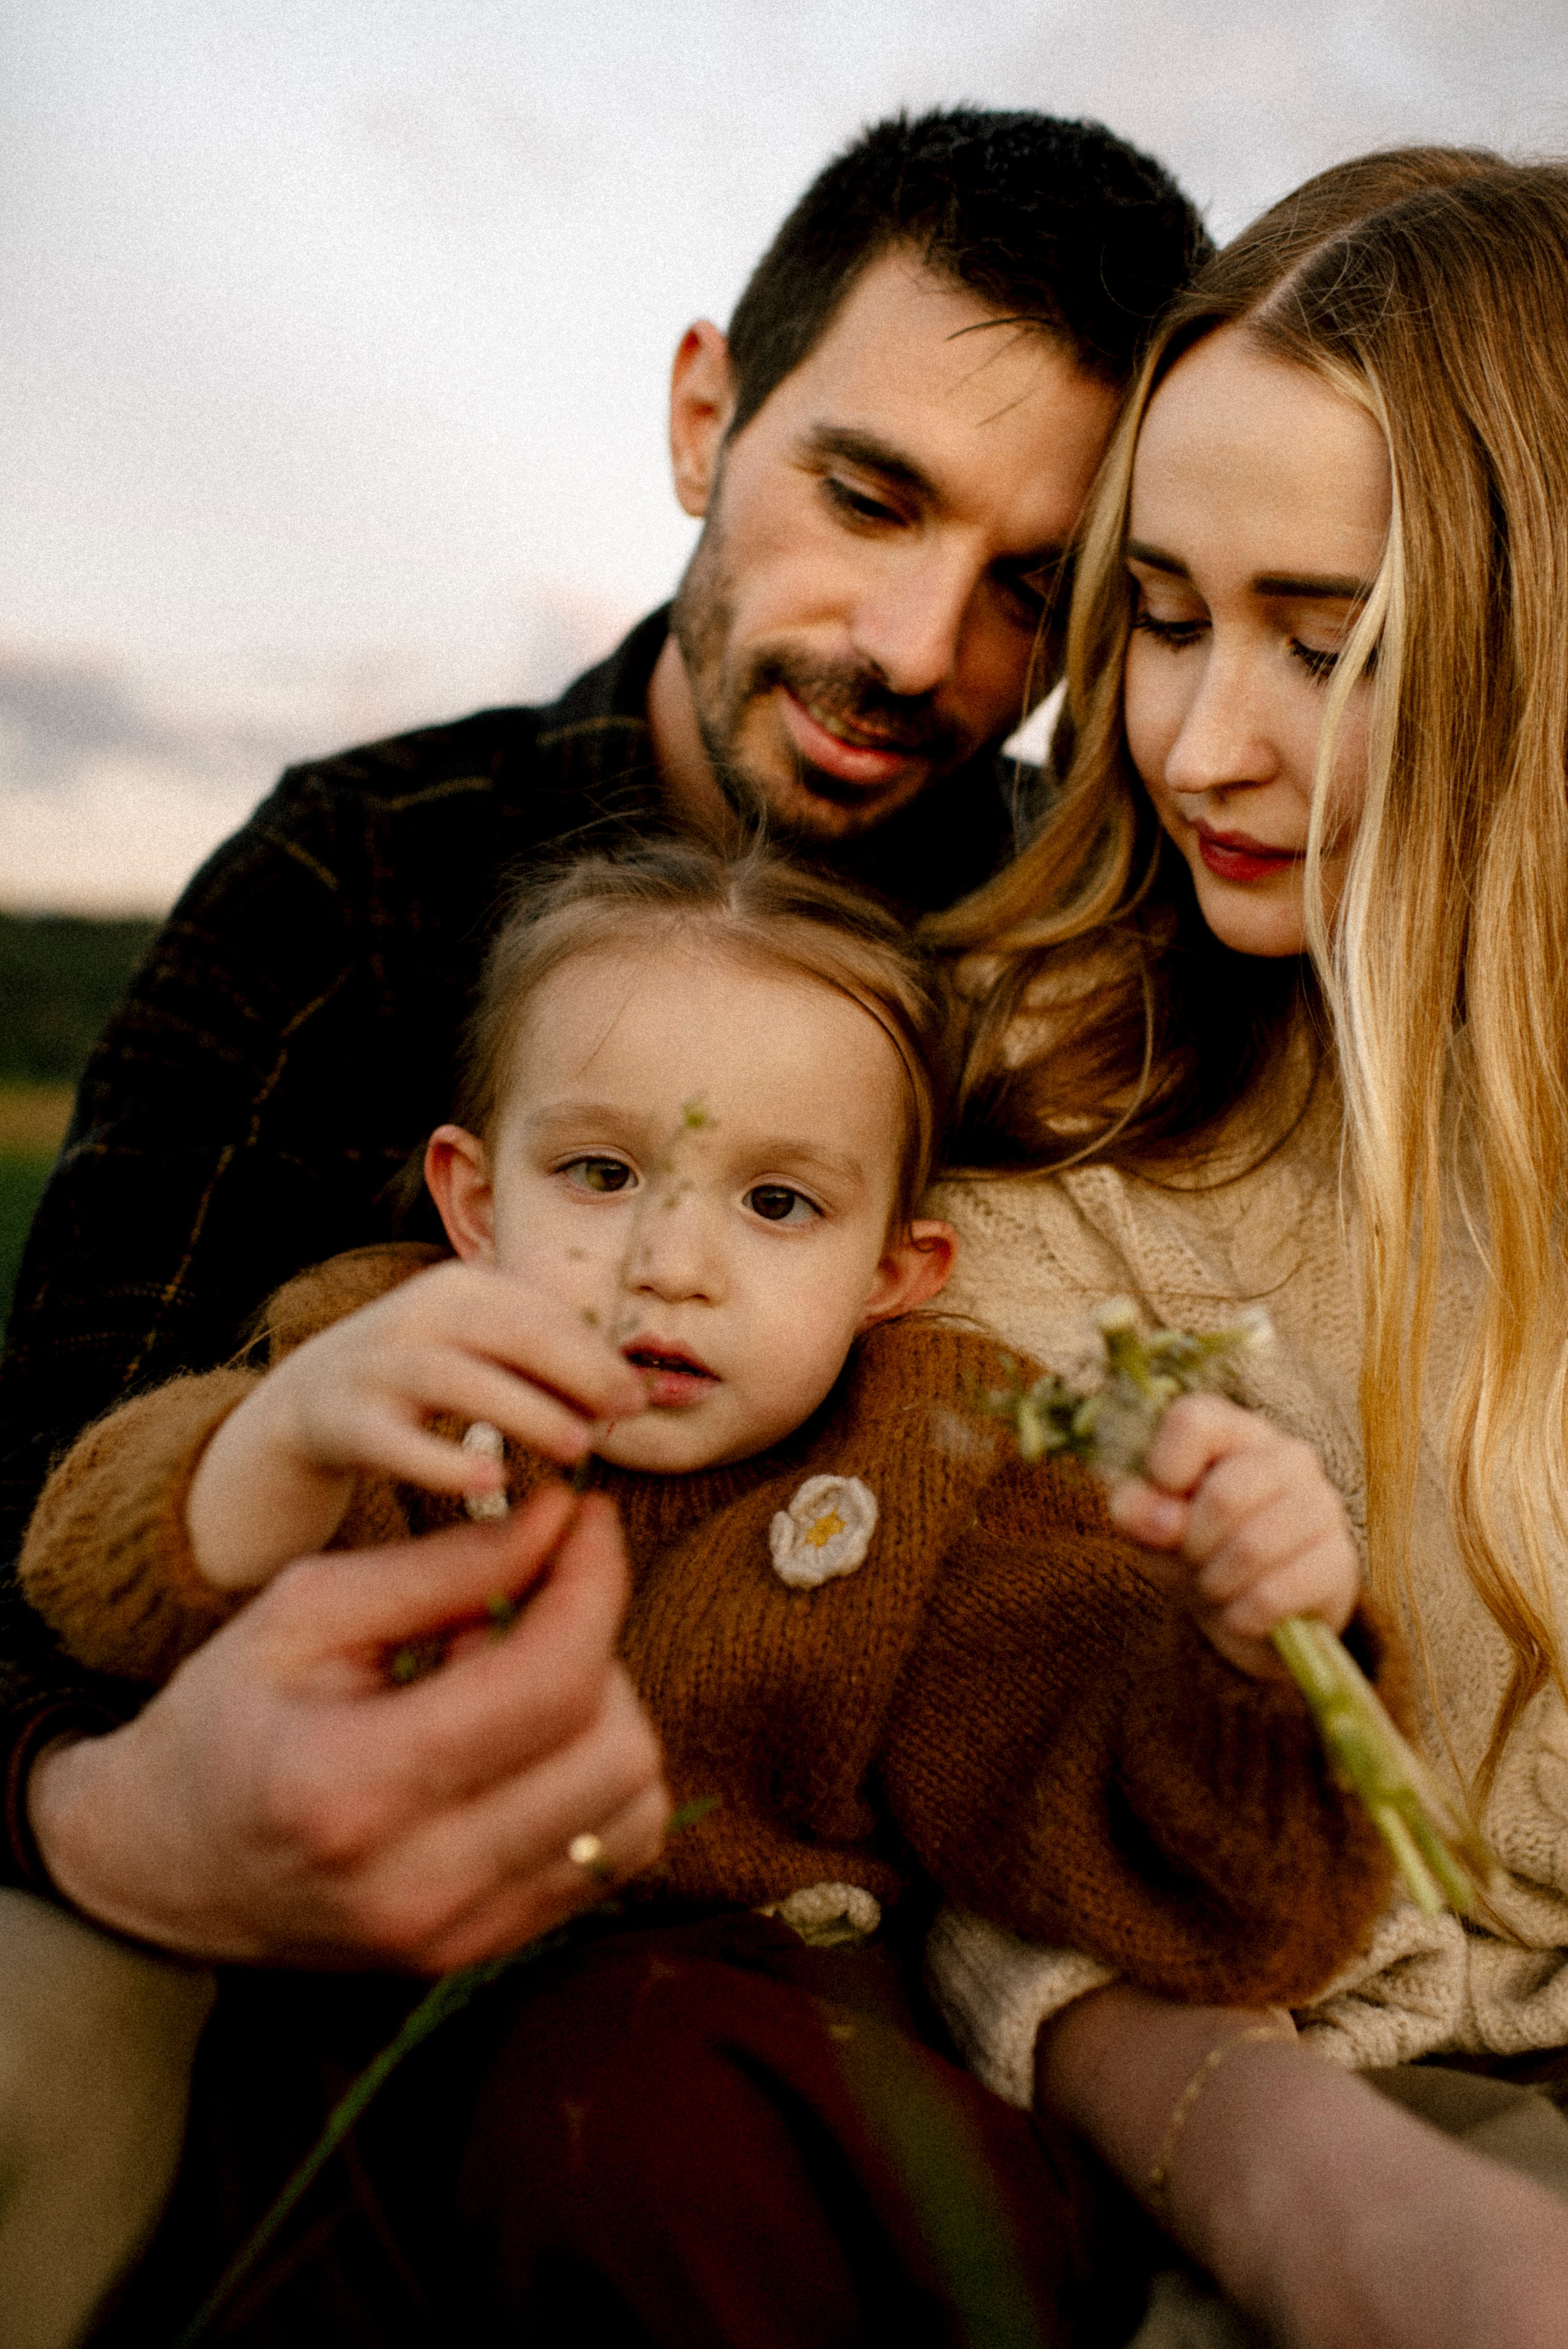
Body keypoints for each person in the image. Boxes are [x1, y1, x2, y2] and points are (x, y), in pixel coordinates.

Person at [0, 106, 1209, 1969]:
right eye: (871, 498)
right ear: (705, 419)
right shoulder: (360, 872)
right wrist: (103, 1821)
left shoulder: (1100, 955)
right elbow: (44, 1493)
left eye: (1029, 591)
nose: (911, 644)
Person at [17, 838, 1395, 2337]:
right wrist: (270, 1447)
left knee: (647, 2099)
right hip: (377, 2030)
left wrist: (1251, 1653)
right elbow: (88, 1579)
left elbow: (1141, 1839)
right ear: (471, 1200)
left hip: (749, 2079)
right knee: (288, 2153)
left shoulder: (934, 1467)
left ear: (895, 1268)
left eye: (779, 1204)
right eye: (600, 1175)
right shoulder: (375, 1356)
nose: (670, 1263)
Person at [921, 154, 1568, 2347]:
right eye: (1168, 621)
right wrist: (1314, 2193)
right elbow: (982, 1780)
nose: (1207, 745)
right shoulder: (1049, 1131)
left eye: (1327, 641)